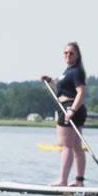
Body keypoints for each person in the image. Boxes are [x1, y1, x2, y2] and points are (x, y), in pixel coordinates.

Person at [40, 41, 87, 186]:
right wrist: (49, 80)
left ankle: (63, 180)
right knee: (76, 146)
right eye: (65, 53)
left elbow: (81, 92)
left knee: (65, 145)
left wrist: (72, 110)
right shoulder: (67, 71)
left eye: (71, 53)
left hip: (70, 108)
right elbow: (61, 90)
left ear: (77, 55)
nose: (68, 55)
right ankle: (79, 181)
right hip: (70, 107)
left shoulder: (77, 71)